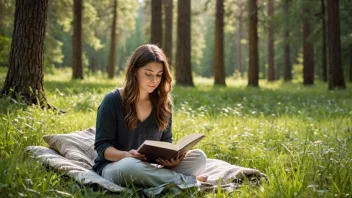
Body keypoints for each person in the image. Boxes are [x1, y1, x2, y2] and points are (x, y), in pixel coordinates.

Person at [93, 44, 207, 188]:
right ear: (134, 71)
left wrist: (171, 161)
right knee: (131, 166)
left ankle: (167, 179)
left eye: (159, 75)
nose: (154, 80)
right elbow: (102, 147)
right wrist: (125, 155)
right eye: (148, 74)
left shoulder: (163, 103)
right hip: (117, 166)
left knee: (199, 158)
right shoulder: (112, 100)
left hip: (150, 168)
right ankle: (190, 181)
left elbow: (166, 141)